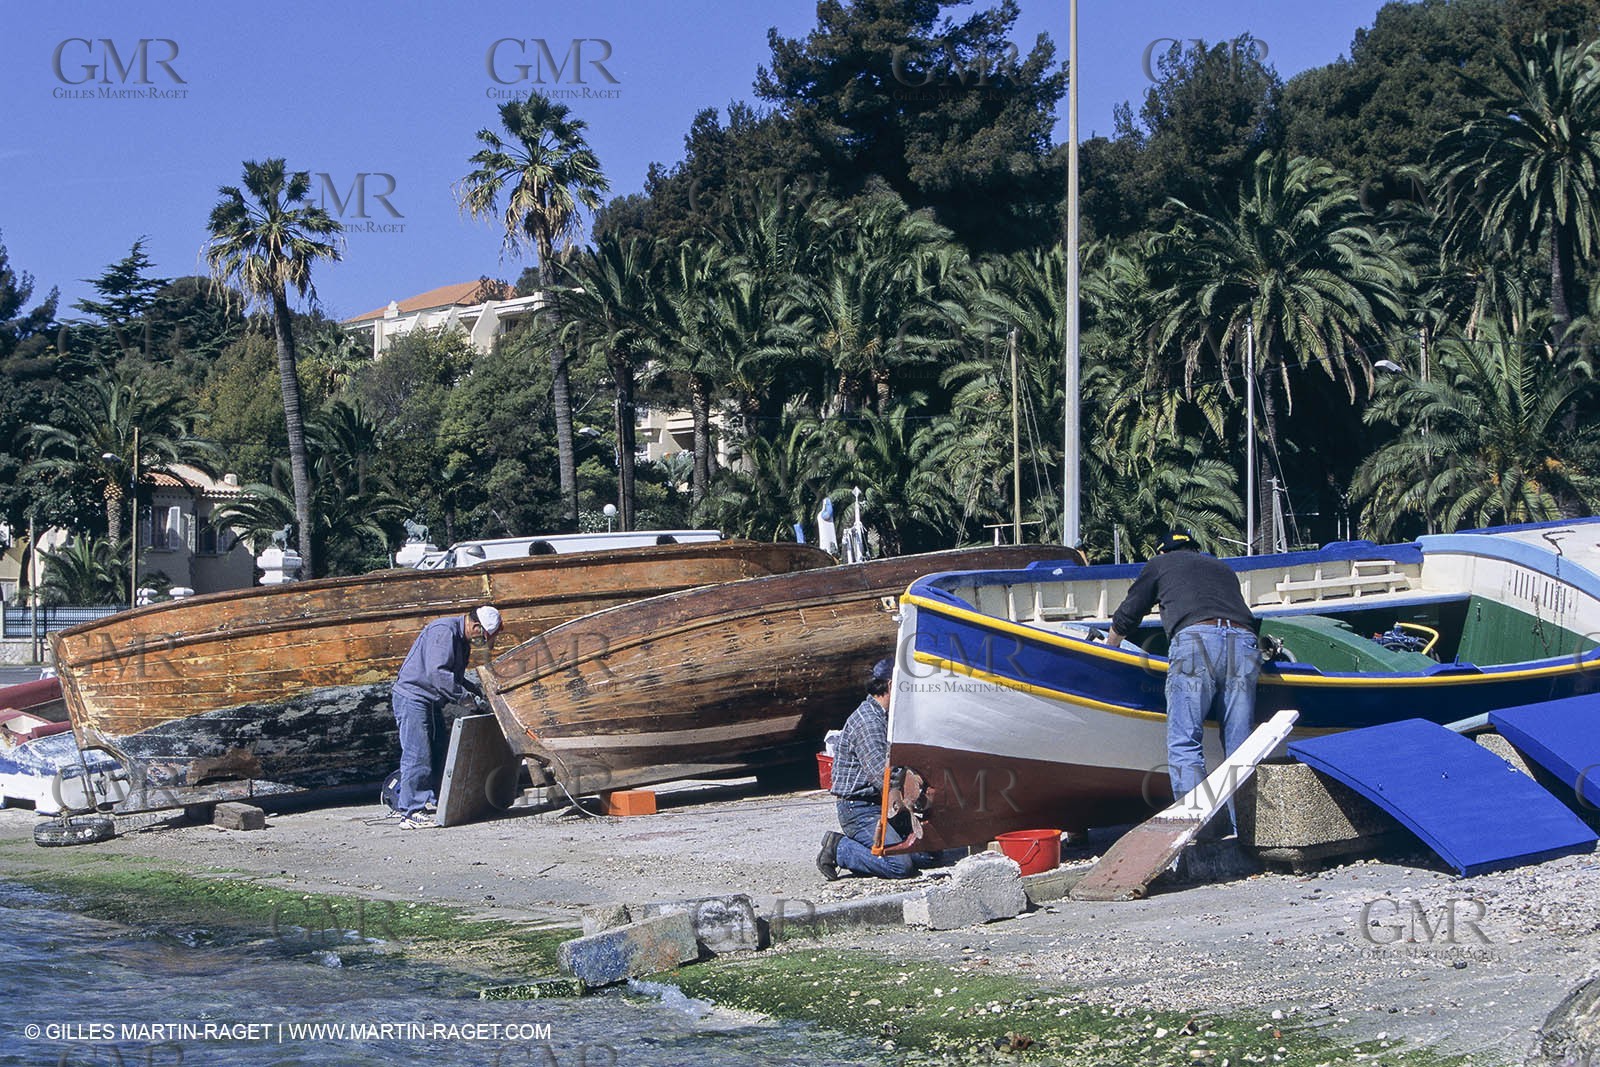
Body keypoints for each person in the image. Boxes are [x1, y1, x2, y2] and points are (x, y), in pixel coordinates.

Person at [1106, 528, 1260, 834]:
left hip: (1195, 641)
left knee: (1185, 742)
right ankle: (1242, 830)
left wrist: (1109, 649)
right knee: (1240, 746)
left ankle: (1198, 831)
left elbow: (1129, 613)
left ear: (1163, 552)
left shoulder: (1159, 564)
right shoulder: (1222, 568)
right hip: (1244, 643)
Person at [389, 604, 503, 828]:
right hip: (413, 697)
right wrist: (467, 699)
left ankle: (429, 799)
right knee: (418, 754)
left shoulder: (461, 640)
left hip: (428, 701)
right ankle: (411, 812)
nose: (483, 642)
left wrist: (480, 692)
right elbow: (438, 674)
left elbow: (456, 677)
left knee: (437, 750)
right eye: (484, 636)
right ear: (475, 626)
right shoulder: (444, 631)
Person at [817, 657, 931, 879]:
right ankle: (839, 848)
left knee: (929, 855)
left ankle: (873, 849)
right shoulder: (868, 722)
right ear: (891, 685)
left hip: (880, 803)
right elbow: (883, 776)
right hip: (859, 809)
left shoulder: (886, 717)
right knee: (900, 866)